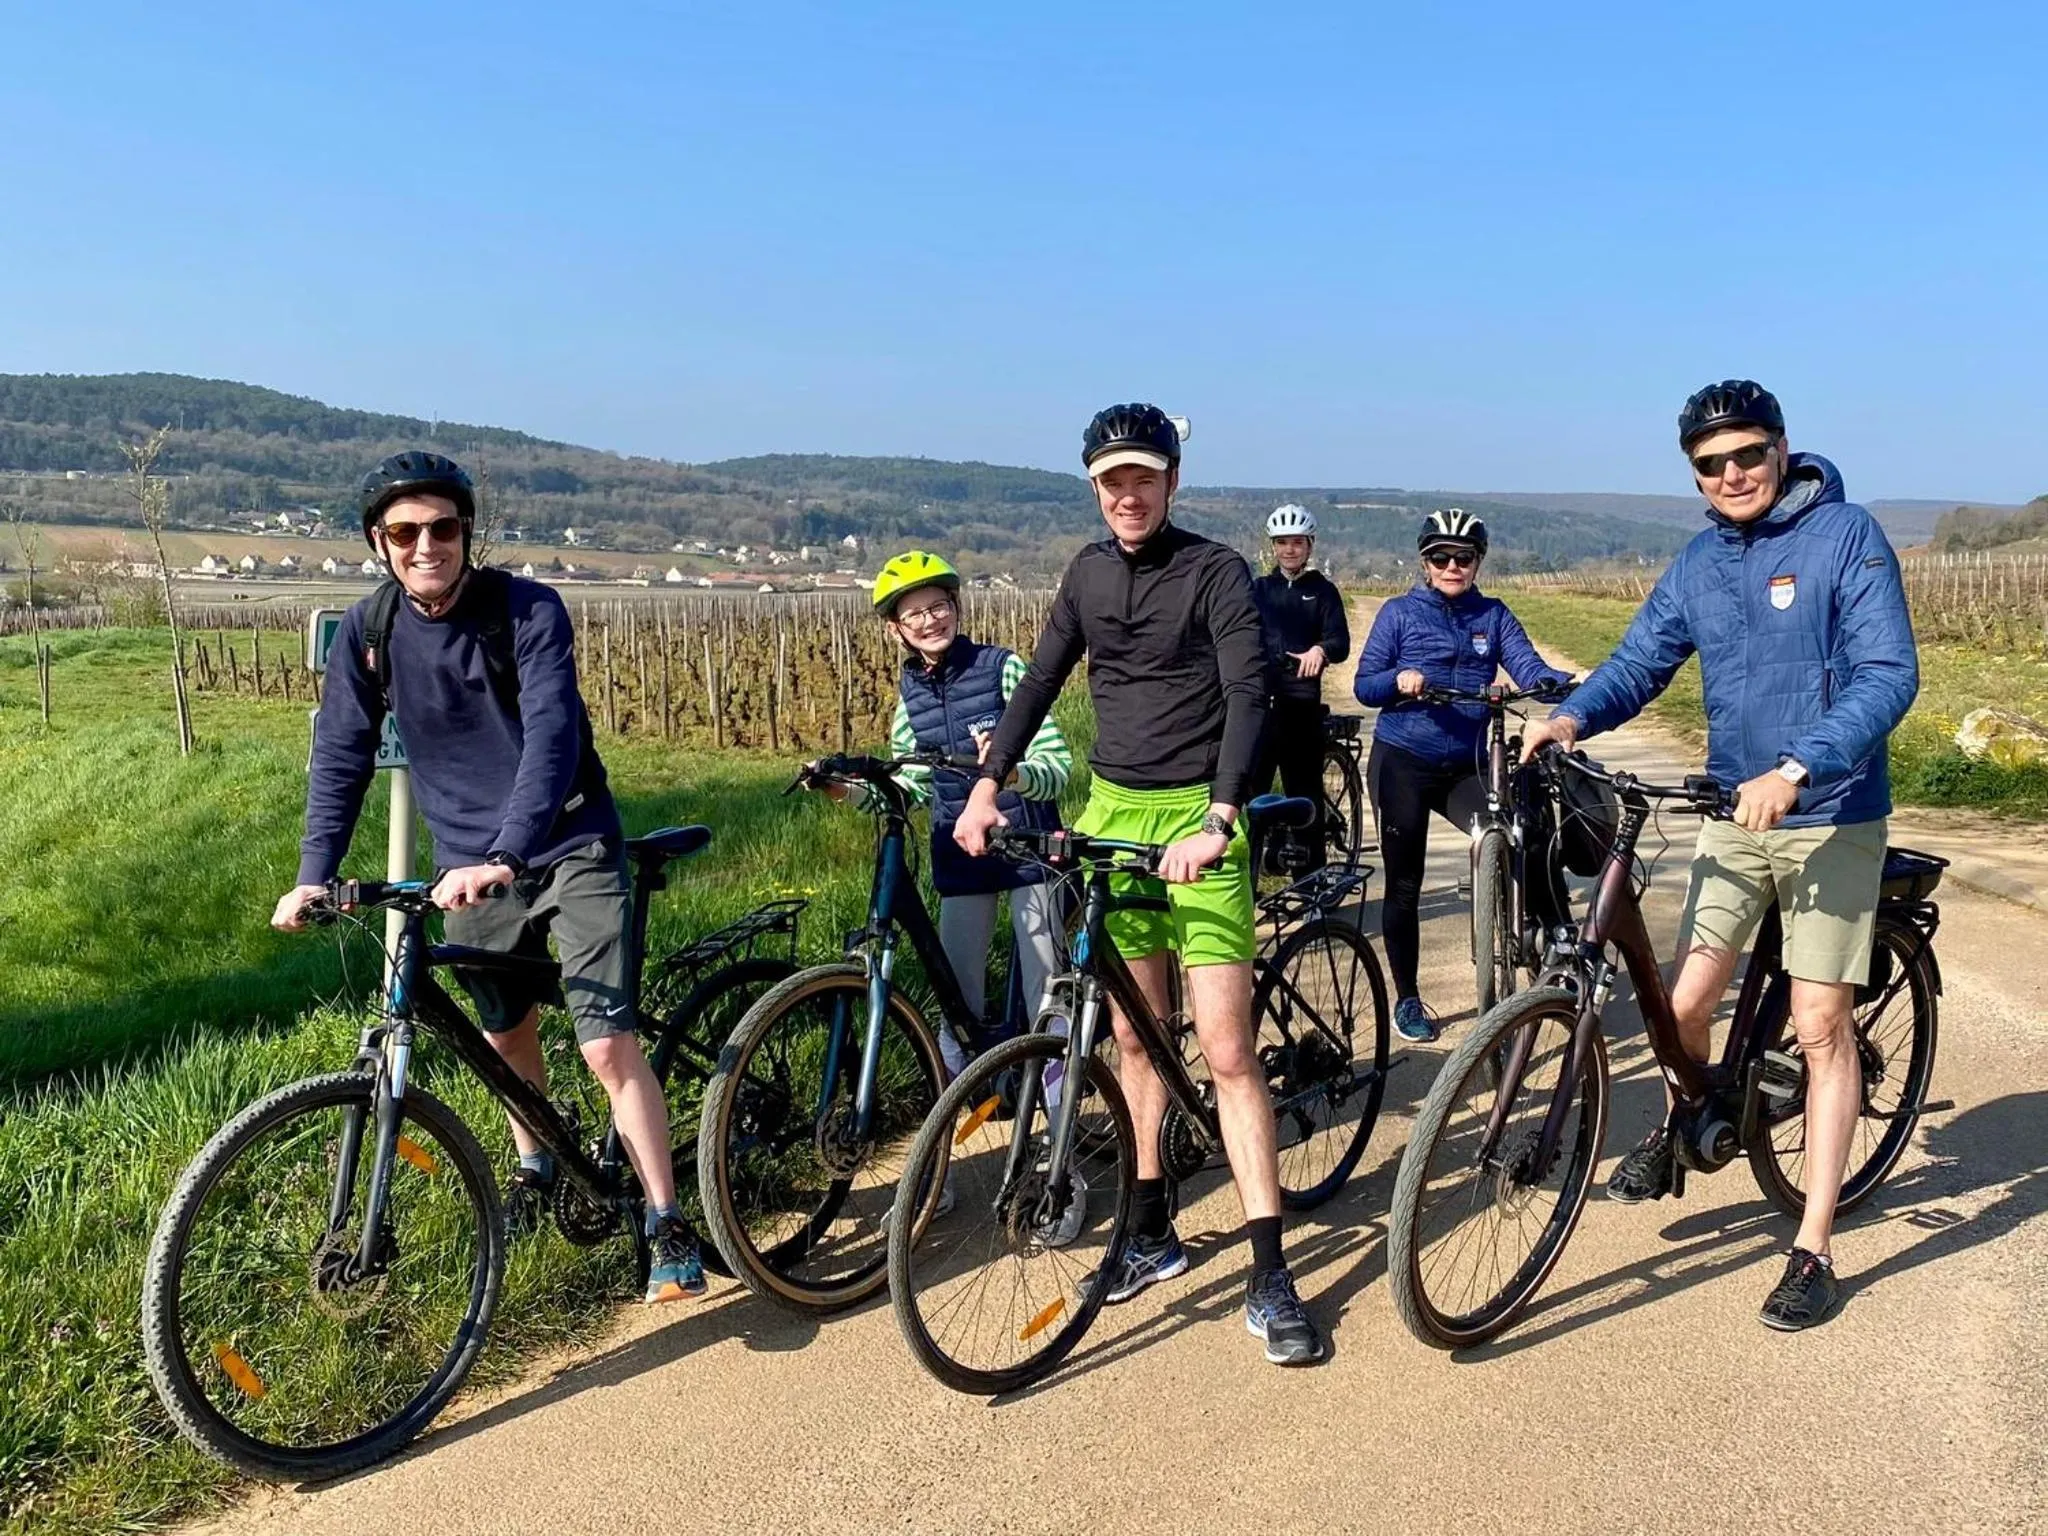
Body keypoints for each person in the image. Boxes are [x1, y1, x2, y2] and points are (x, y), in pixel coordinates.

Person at [1522, 379, 1918, 1331]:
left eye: (1749, 455)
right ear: (1694, 475)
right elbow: (1641, 660)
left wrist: (1800, 765)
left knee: (1821, 1025)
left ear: (1782, 450)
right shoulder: (1701, 561)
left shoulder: (1847, 537)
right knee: (1685, 1004)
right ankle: (1682, 1124)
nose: (1733, 474)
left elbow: (1888, 673)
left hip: (1827, 811)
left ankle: (1813, 1247)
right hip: (1732, 813)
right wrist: (1571, 718)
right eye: (1712, 464)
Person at [272, 451, 705, 1304]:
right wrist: (313, 874)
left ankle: (666, 1220)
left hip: (567, 841)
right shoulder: (370, 634)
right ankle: (537, 1169)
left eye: (442, 527)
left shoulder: (526, 609)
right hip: (467, 863)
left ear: (466, 532)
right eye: (405, 531)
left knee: (605, 1045)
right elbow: (339, 758)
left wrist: (508, 853)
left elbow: (551, 739)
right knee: (505, 1038)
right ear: (379, 543)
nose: (425, 543)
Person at [956, 403, 1325, 1366]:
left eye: (1144, 479)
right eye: (1112, 481)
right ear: (1095, 487)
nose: (1129, 495)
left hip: (1199, 818)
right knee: (1131, 1032)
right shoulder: (1084, 572)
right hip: (1113, 811)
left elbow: (1249, 693)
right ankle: (1151, 1228)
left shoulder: (1214, 572)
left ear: (1171, 484)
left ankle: (1271, 1271)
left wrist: (1220, 817)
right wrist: (988, 785)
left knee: (1228, 1046)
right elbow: (1038, 683)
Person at [815, 549, 1073, 1079]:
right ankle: (957, 1107)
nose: (930, 620)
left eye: (939, 606)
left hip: (1028, 847)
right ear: (895, 630)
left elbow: (1058, 765)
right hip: (960, 851)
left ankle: (1057, 1119)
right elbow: (909, 787)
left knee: (1046, 988)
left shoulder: (1001, 668)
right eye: (915, 614)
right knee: (956, 989)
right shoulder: (909, 697)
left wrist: (1010, 772)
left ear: (956, 607)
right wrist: (848, 792)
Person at [1352, 510, 1571, 1042]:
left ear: (1477, 563)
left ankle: (1557, 941)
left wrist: (1553, 682)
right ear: (1425, 563)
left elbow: (1525, 664)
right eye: (1441, 558)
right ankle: (1407, 997)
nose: (1452, 566)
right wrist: (1397, 680)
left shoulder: (1492, 615)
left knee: (1522, 832)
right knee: (1405, 882)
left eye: (1464, 558)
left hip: (1465, 763)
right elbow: (1364, 684)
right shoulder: (1399, 613)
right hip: (1403, 758)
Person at [1251, 504, 1350, 870]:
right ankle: (1245, 887)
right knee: (1249, 796)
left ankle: (1312, 887)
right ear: (1272, 547)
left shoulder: (1323, 592)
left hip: (1301, 706)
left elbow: (1340, 642)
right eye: (1281, 542)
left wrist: (1320, 650)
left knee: (1305, 796)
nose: (1289, 550)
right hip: (1261, 707)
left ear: (1309, 546)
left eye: (1297, 542)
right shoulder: (1259, 589)